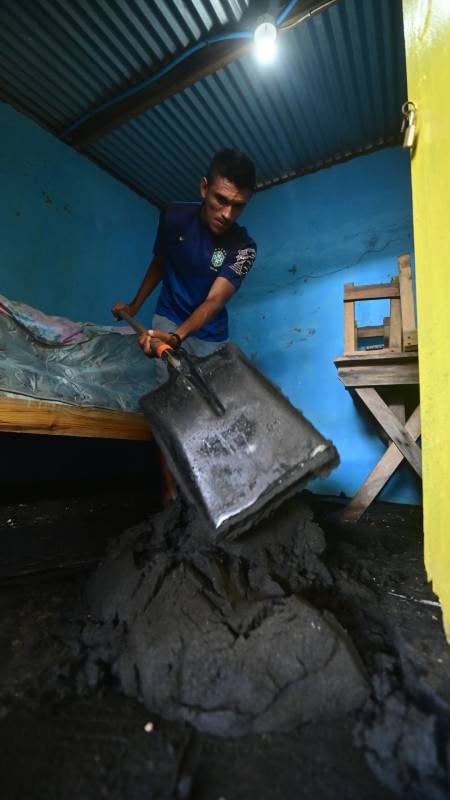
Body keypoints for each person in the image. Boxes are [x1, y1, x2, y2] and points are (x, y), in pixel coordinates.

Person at [112, 148, 257, 385]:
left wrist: (177, 337)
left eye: (238, 206)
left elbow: (215, 301)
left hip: (210, 335)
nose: (227, 214)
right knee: (169, 390)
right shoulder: (172, 216)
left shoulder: (245, 249)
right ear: (204, 188)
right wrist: (135, 305)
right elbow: (160, 262)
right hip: (168, 317)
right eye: (221, 199)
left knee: (205, 398)